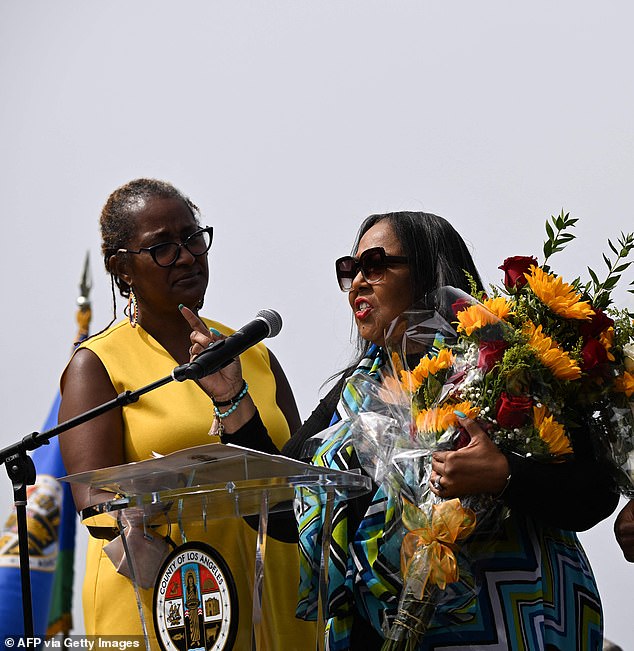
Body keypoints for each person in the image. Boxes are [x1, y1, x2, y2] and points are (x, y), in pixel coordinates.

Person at [187, 211, 620, 650]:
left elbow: (593, 493)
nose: (357, 282)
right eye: (349, 270)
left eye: (375, 265)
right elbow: (283, 508)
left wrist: (504, 475)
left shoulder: (506, 362)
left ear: (430, 272)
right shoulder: (355, 394)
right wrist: (232, 400)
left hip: (515, 627)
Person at [58, 178, 315, 648]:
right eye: (162, 247)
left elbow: (302, 471)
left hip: (272, 591)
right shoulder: (97, 364)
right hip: (170, 604)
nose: (187, 255)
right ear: (122, 268)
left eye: (193, 238)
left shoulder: (251, 350)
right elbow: (94, 500)